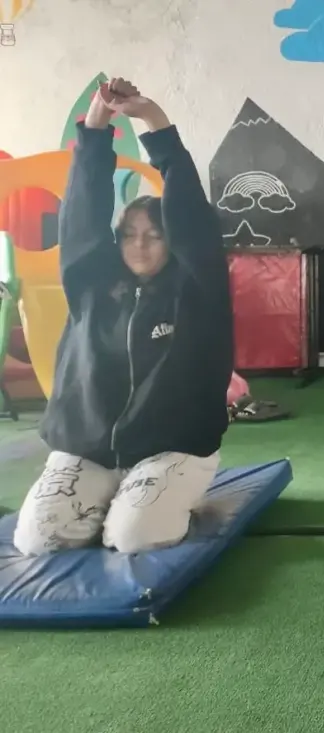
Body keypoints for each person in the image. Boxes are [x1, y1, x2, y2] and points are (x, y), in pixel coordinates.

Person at [12, 78, 233, 556]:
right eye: (129, 234)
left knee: (133, 538)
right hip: (89, 447)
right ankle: (113, 498)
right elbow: (81, 213)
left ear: (172, 240)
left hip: (173, 446)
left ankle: (164, 501)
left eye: (154, 235)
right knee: (38, 539)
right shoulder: (92, 285)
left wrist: (152, 119)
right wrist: (96, 123)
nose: (139, 245)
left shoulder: (196, 290)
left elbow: (190, 214)